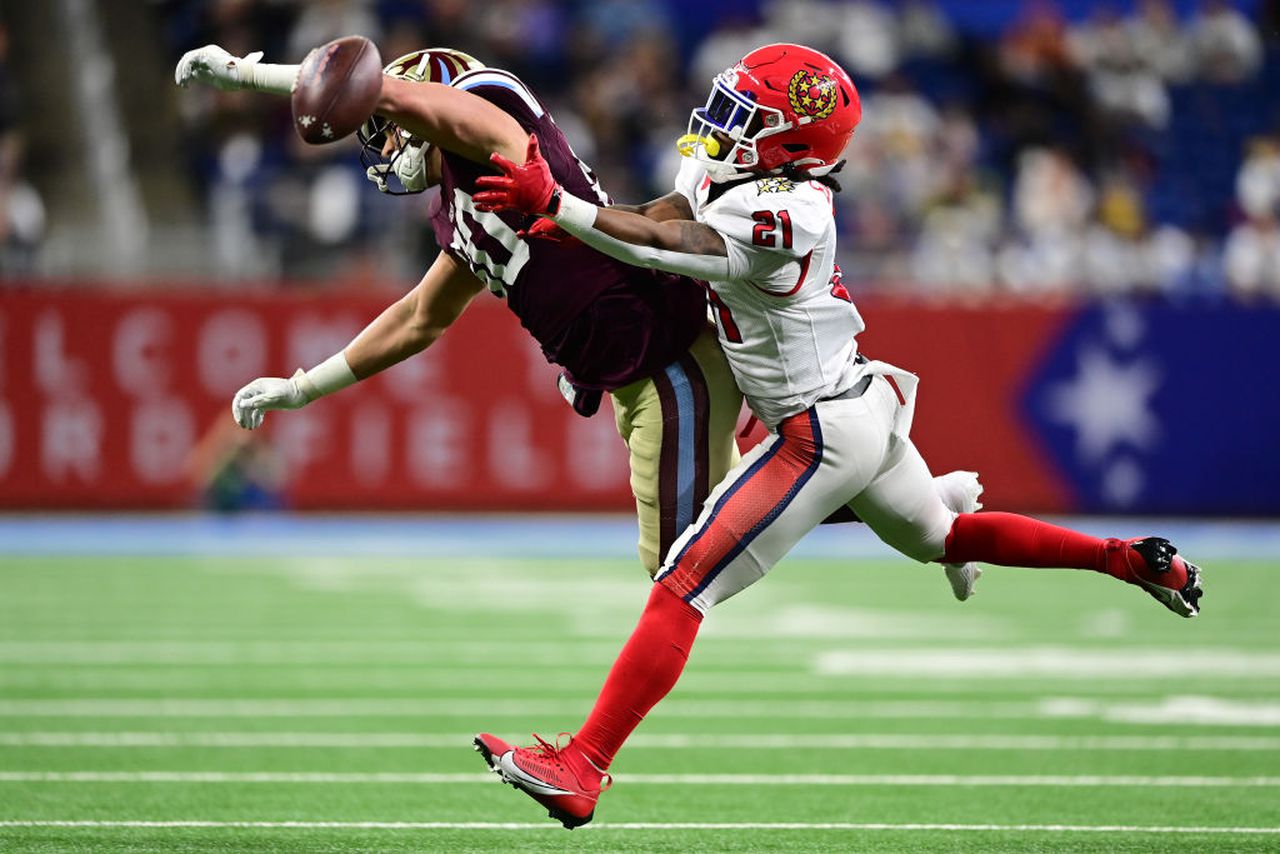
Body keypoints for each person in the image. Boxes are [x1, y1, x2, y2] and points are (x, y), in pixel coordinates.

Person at [467, 43, 1204, 828]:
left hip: (818, 432)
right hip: (855, 407)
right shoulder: (737, 174)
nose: (721, 123)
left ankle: (584, 765)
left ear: (790, 144)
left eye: (745, 115)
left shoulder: (793, 210)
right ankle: (1131, 560)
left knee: (684, 582)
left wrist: (561, 207)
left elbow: (670, 248)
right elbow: (666, 217)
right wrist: (569, 228)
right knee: (942, 536)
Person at [173, 42, 984, 589]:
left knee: (682, 566)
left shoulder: (488, 114)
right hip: (633, 371)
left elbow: (472, 122)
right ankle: (909, 497)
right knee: (696, 544)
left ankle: (888, 485)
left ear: (420, 96)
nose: (384, 143)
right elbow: (421, 317)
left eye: (388, 119)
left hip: (667, 358)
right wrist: (303, 388)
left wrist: (259, 78)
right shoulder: (459, 205)